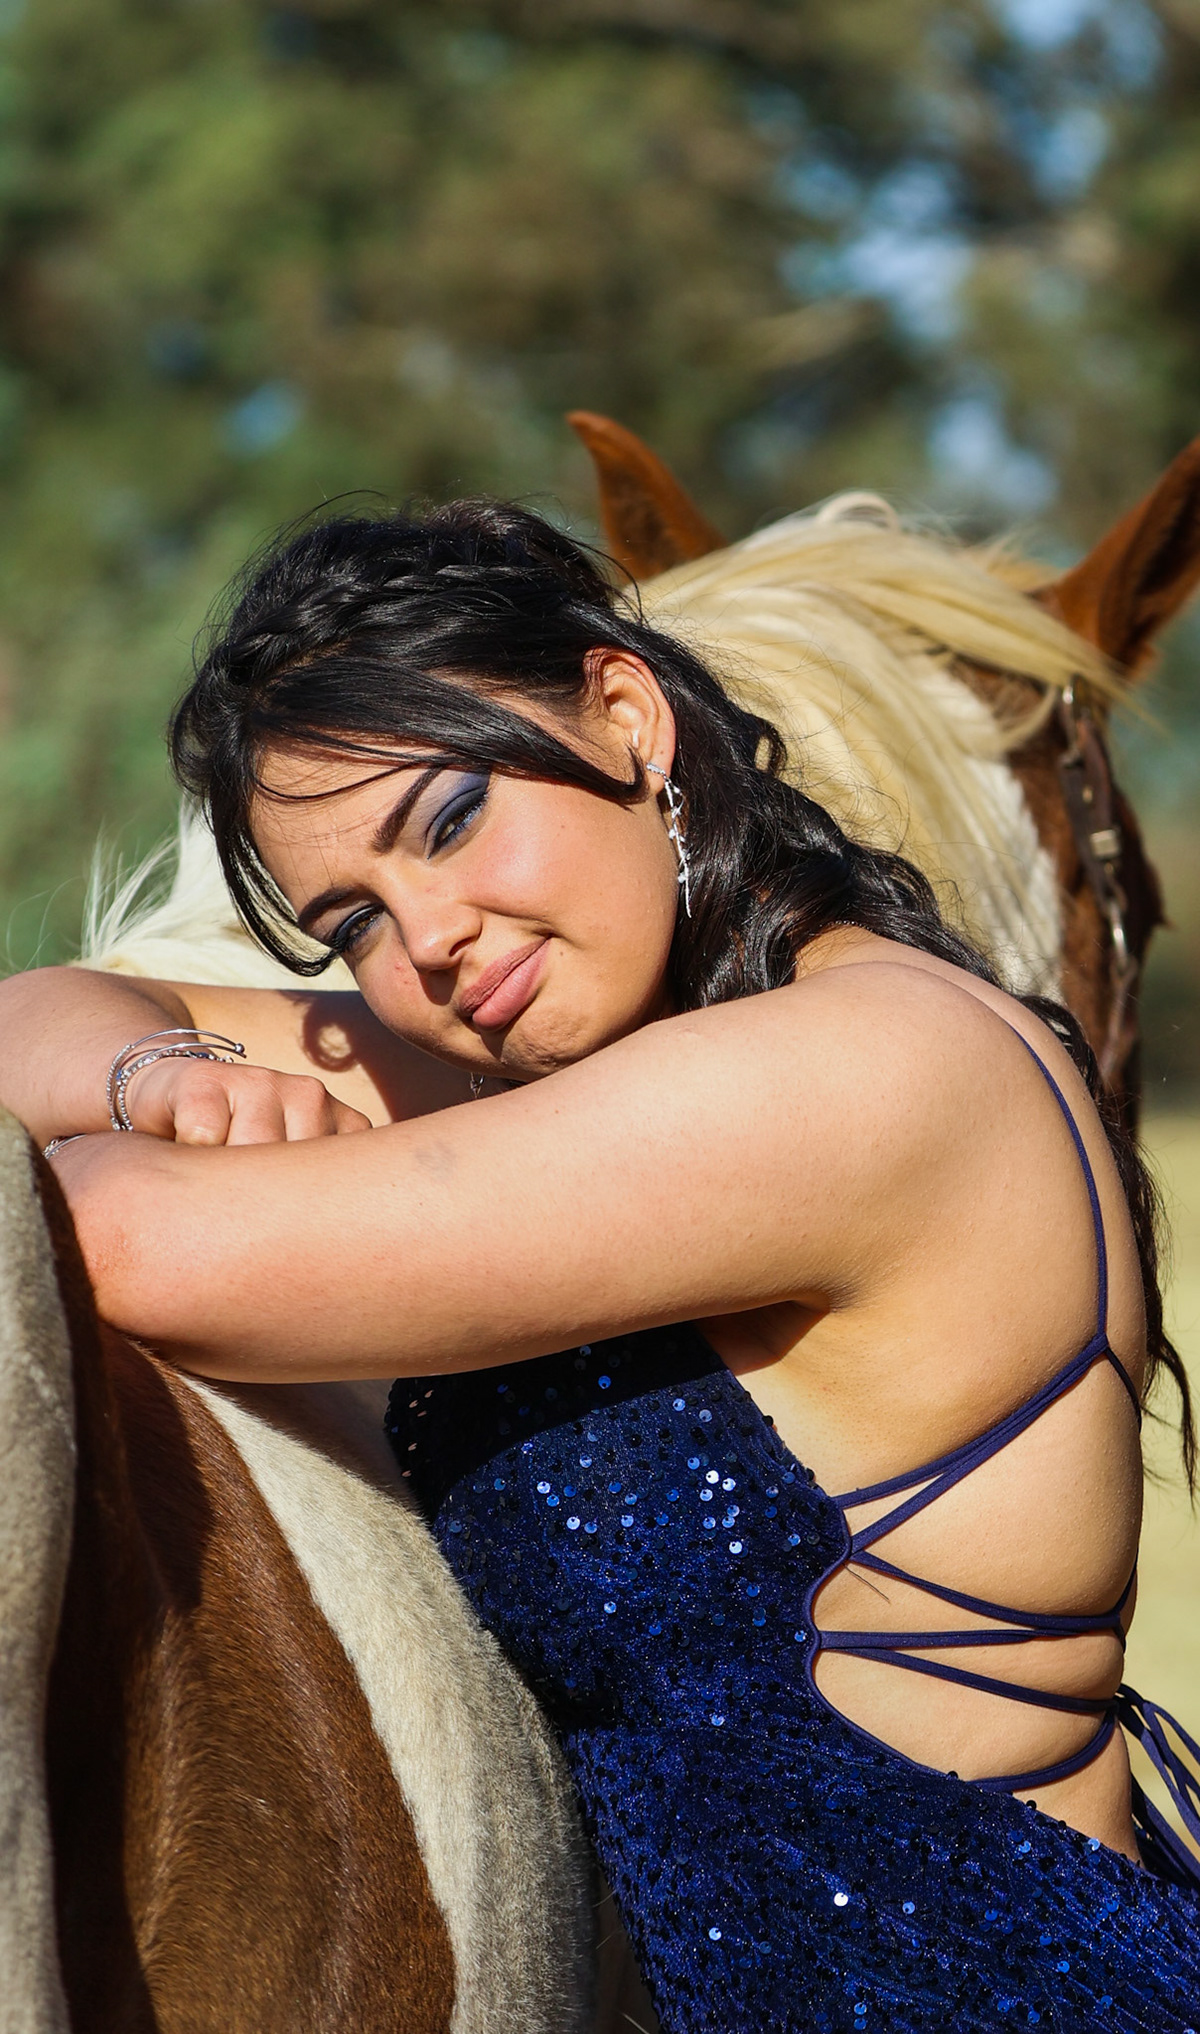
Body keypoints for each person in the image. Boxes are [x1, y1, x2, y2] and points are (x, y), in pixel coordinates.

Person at [4, 500, 1200, 2031]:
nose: (429, 940)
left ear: (628, 714)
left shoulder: (868, 1073)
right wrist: (158, 1074)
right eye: (353, 921)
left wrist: (135, 1150)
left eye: (448, 818)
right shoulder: (595, 1042)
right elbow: (33, 1007)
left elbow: (111, 1241)